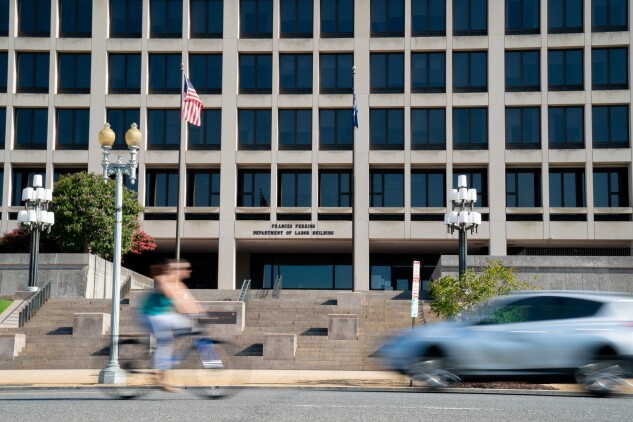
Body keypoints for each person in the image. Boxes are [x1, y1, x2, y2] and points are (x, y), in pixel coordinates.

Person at [139, 259, 205, 391]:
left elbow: (190, 302)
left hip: (162, 316)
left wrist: (203, 314)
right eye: (185, 268)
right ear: (175, 270)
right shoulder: (161, 279)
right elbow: (173, 296)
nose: (188, 271)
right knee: (165, 342)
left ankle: (163, 376)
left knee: (170, 339)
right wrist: (185, 309)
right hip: (149, 315)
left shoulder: (180, 285)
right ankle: (161, 378)